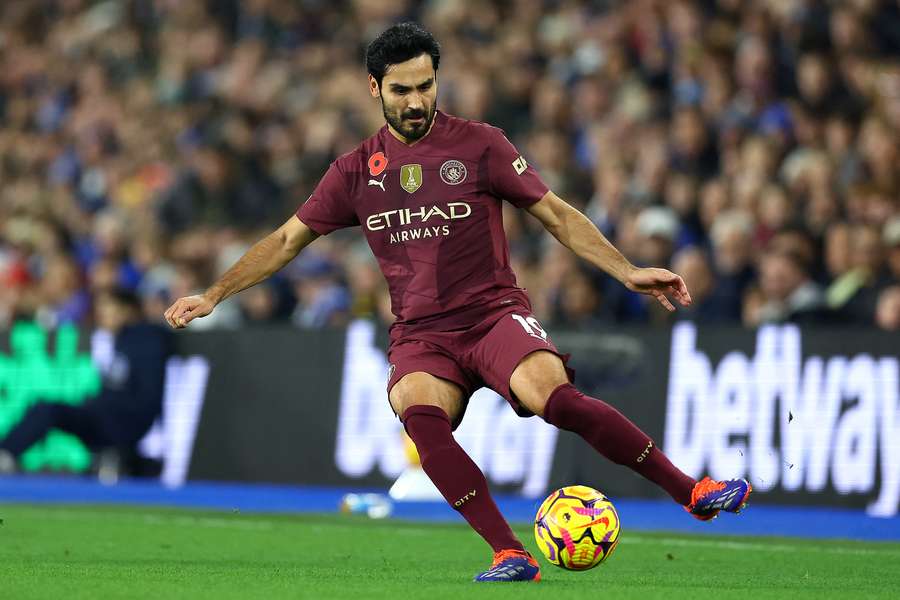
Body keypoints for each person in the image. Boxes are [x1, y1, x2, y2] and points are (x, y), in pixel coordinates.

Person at [163, 23, 751, 583]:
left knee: (558, 400)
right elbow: (287, 240)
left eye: (425, 86)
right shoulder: (353, 173)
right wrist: (215, 293)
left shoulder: (480, 144)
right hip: (421, 334)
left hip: (493, 315)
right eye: (401, 90)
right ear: (375, 89)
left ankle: (692, 493)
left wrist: (625, 270)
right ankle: (509, 551)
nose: (416, 101)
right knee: (420, 418)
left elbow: (556, 215)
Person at [0, 288, 172, 476]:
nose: (101, 314)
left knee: (48, 409)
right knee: (47, 408)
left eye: (108, 308)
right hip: (107, 415)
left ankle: (6, 453)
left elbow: (146, 395)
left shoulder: (145, 338)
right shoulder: (119, 339)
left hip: (121, 420)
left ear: (127, 311)